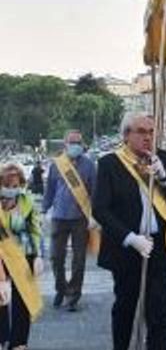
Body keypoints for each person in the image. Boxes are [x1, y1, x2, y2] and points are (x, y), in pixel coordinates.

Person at [93, 112, 166, 350]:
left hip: (159, 246)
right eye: (141, 132)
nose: (148, 137)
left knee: (159, 312)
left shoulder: (163, 158)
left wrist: (165, 177)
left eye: (151, 132)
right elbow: (100, 209)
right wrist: (129, 237)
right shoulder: (110, 164)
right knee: (125, 309)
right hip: (128, 247)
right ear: (126, 135)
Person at [42, 130, 96, 311]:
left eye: (78, 142)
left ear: (82, 144)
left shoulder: (89, 165)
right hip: (59, 217)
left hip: (80, 218)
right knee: (56, 257)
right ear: (65, 144)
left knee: (79, 260)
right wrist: (43, 210)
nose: (75, 145)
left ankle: (73, 294)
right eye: (72, 142)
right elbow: (49, 189)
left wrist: (95, 216)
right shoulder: (57, 164)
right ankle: (61, 288)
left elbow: (94, 192)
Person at [0, 164, 44, 350]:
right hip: (1, 256)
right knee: (1, 298)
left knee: (22, 298)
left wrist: (38, 255)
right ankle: (1, 339)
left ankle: (19, 340)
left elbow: (35, 229)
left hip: (23, 254)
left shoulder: (27, 200)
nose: (12, 188)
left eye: (16, 184)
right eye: (8, 184)